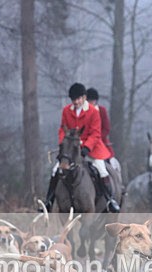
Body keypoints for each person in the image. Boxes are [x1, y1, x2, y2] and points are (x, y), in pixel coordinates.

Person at [40, 83, 120, 213]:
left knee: (102, 170)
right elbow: (62, 129)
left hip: (91, 149)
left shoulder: (93, 112)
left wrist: (86, 147)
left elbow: (95, 133)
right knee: (55, 170)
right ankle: (49, 201)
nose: (76, 102)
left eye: (78, 99)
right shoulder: (66, 111)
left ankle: (110, 200)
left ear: (84, 98)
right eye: (73, 99)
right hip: (70, 149)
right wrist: (63, 144)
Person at [86, 88, 120, 173]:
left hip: (101, 143)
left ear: (96, 101)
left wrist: (96, 139)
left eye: (92, 101)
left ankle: (114, 185)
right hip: (85, 144)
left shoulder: (101, 111)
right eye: (88, 101)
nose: (90, 103)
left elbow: (106, 128)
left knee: (111, 164)